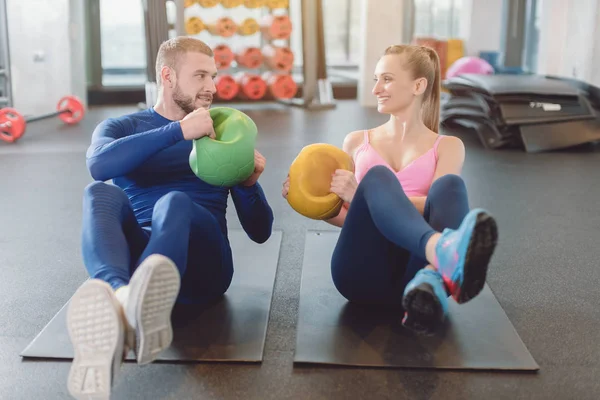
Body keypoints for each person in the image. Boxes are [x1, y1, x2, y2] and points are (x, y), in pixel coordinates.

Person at [66, 37, 274, 399]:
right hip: (143, 252)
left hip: (203, 268)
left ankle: (134, 303)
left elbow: (261, 231)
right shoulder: (123, 127)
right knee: (98, 194)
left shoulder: (226, 129)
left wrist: (247, 184)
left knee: (173, 202)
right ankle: (120, 295)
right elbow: (99, 167)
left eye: (213, 76)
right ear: (168, 76)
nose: (212, 87)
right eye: (200, 76)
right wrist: (178, 131)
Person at [282, 44, 498, 335]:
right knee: (379, 178)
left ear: (418, 85)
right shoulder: (357, 142)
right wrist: (308, 200)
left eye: (387, 79)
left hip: (416, 276)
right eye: (376, 79)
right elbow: (353, 221)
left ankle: (432, 278)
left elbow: (439, 207)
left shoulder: (448, 146)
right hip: (361, 274)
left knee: (450, 186)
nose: (376, 89)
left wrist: (363, 197)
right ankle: (441, 253)